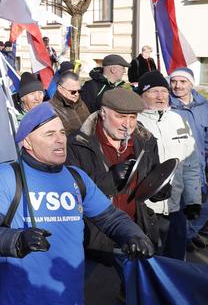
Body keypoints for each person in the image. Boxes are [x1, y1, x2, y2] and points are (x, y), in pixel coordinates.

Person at [0, 103, 154, 305]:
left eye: (62, 133)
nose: (60, 140)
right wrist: (17, 240)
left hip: (69, 297)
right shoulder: (6, 176)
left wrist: (134, 235)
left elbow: (109, 217)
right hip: (27, 302)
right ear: (27, 143)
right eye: (49, 134)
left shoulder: (75, 177)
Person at [67, 88, 163, 270]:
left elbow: (152, 176)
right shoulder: (77, 144)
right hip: (92, 237)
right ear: (103, 113)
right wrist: (109, 180)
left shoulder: (146, 141)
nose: (127, 125)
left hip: (133, 232)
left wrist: (159, 189)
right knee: (81, 292)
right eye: (120, 116)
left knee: (136, 293)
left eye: (132, 117)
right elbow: (70, 196)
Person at [135, 71, 201, 259]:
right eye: (154, 91)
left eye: (164, 91)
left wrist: (193, 199)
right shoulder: (134, 122)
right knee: (147, 262)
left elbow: (190, 163)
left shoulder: (177, 120)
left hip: (175, 206)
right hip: (145, 209)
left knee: (176, 262)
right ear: (142, 95)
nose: (161, 96)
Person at [169, 67, 208, 250]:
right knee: (183, 206)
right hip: (179, 166)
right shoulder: (167, 106)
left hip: (201, 165)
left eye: (182, 81)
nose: (177, 86)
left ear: (191, 83)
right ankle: (183, 238)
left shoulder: (204, 106)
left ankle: (190, 232)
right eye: (174, 81)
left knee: (201, 206)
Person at [49, 71, 90, 136]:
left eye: (79, 91)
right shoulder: (50, 109)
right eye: (73, 92)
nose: (76, 94)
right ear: (60, 89)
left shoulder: (81, 103)